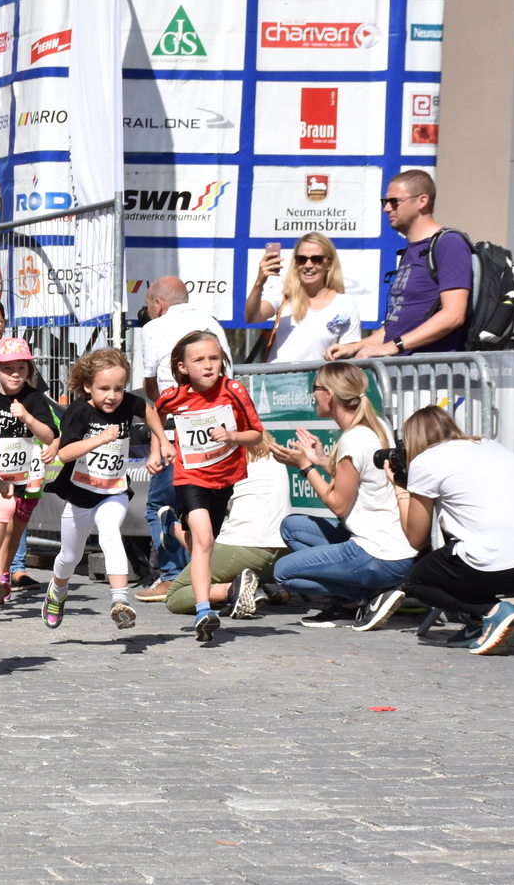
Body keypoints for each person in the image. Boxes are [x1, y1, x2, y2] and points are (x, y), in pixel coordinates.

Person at [267, 362, 416, 630]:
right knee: (292, 527)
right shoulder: (375, 424)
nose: (312, 394)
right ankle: (353, 599)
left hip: (378, 552)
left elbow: (338, 505)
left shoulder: (354, 439)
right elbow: (360, 477)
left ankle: (362, 597)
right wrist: (322, 461)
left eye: (314, 387)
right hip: (390, 546)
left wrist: (305, 466)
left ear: (329, 395)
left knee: (283, 572)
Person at [396, 405, 514, 654]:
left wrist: (399, 487)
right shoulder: (490, 445)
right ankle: (477, 624)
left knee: (417, 580)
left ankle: (491, 612)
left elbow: (416, 539)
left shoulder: (425, 461)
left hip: (502, 565)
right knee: (456, 556)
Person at [147, 330, 263, 642]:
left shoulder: (233, 390)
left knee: (202, 543)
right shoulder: (173, 397)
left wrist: (232, 436)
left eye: (214, 358)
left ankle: (172, 527)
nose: (208, 365)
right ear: (183, 367)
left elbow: (256, 434)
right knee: (205, 540)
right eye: (199, 360)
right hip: (190, 477)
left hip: (224, 478)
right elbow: (155, 414)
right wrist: (158, 449)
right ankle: (203, 611)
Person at [131, 276, 232, 604]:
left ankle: (173, 576)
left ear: (158, 303)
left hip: (180, 429)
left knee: (160, 506)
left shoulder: (154, 328)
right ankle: (202, 576)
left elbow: (152, 390)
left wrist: (159, 442)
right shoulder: (212, 324)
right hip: (220, 430)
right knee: (203, 507)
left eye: (148, 306)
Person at [43, 348, 148, 632]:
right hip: (81, 495)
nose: (112, 396)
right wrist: (100, 439)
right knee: (70, 557)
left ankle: (120, 601)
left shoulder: (127, 404)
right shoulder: (79, 411)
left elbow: (148, 410)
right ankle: (57, 590)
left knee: (110, 532)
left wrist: (162, 441)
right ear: (88, 386)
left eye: (119, 388)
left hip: (114, 491)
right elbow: (65, 453)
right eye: (104, 389)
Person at [328, 169, 470, 359]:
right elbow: (396, 327)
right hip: (402, 370)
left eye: (394, 202)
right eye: (385, 202)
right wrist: (354, 347)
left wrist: (394, 346)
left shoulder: (449, 243)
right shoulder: (410, 251)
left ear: (422, 201)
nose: (387, 208)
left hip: (433, 372)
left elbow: (453, 315)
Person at [163, 441, 290, 619]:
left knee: (174, 595)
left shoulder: (224, 455)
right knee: (210, 531)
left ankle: (232, 589)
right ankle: (266, 587)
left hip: (245, 549)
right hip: (282, 553)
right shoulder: (270, 450)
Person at [0, 340, 58, 616]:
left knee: (14, 532)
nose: (14, 374)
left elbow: (50, 436)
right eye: (7, 368)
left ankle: (1, 576)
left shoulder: (33, 398)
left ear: (28, 370)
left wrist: (26, 418)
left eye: (21, 368)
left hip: (24, 475)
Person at [244, 234, 362, 363]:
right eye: (301, 259)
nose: (308, 265)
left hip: (320, 375)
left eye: (316, 259)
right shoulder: (282, 293)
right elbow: (252, 317)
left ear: (329, 263)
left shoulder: (345, 303)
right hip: (279, 374)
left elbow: (348, 352)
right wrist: (260, 281)